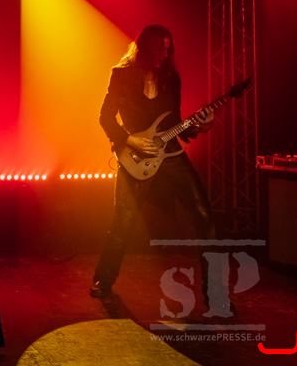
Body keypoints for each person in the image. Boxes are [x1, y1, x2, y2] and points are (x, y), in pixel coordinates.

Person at [90, 24, 215, 299]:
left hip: (170, 156)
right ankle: (103, 280)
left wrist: (199, 126)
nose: (164, 55)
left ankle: (214, 291)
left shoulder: (171, 78)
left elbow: (175, 122)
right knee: (123, 221)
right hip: (134, 157)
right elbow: (105, 117)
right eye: (159, 49)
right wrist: (128, 140)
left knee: (204, 216)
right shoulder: (121, 75)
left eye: (168, 50)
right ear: (144, 48)